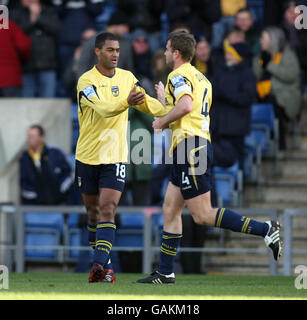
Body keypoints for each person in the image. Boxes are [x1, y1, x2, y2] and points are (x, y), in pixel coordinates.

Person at [137, 31, 282, 284]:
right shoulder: (202, 79)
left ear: (177, 53)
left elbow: (185, 107)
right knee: (170, 208)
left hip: (190, 148)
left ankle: (266, 229)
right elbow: (185, 110)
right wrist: (163, 101)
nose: (165, 52)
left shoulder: (178, 74)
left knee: (202, 215)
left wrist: (160, 120)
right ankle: (165, 271)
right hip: (190, 146)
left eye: (168, 48)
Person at [75, 32, 168, 283]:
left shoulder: (127, 78)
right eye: (110, 50)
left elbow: (147, 104)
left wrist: (169, 110)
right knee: (93, 213)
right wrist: (125, 102)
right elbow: (104, 109)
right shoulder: (86, 81)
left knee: (108, 209)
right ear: (97, 52)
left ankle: (98, 264)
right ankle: (107, 267)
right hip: (87, 156)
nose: (115, 54)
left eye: (117, 50)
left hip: (115, 155)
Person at [253, 26, 301, 151]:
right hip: (263, 96)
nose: (260, 41)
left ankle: (279, 145)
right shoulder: (259, 57)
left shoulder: (287, 55)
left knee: (272, 103)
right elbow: (255, 76)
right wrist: (262, 62)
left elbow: (290, 75)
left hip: (286, 98)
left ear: (272, 40)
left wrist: (269, 64)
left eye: (263, 38)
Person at [210, 39, 256, 170]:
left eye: (230, 53)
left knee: (237, 161)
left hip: (237, 127)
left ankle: (240, 186)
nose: (227, 56)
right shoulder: (220, 71)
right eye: (227, 53)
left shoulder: (247, 73)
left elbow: (247, 97)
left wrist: (225, 94)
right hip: (219, 126)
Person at [11, 0, 60, 97]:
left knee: (48, 104)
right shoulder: (16, 13)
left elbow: (56, 29)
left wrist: (38, 18)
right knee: (27, 104)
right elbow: (15, 33)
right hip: (26, 65)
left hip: (47, 65)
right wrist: (32, 21)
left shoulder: (49, 11)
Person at [19, 125, 74, 205]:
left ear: (42, 138)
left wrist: (61, 190)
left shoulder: (55, 152)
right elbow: (24, 183)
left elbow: (70, 172)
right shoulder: (24, 158)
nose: (29, 139)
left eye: (32, 136)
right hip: (35, 205)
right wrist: (37, 197)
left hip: (61, 202)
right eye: (28, 136)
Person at [0, 18, 31, 97]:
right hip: (9, 78)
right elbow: (24, 45)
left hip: (9, 78)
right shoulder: (9, 24)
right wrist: (25, 59)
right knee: (13, 108)